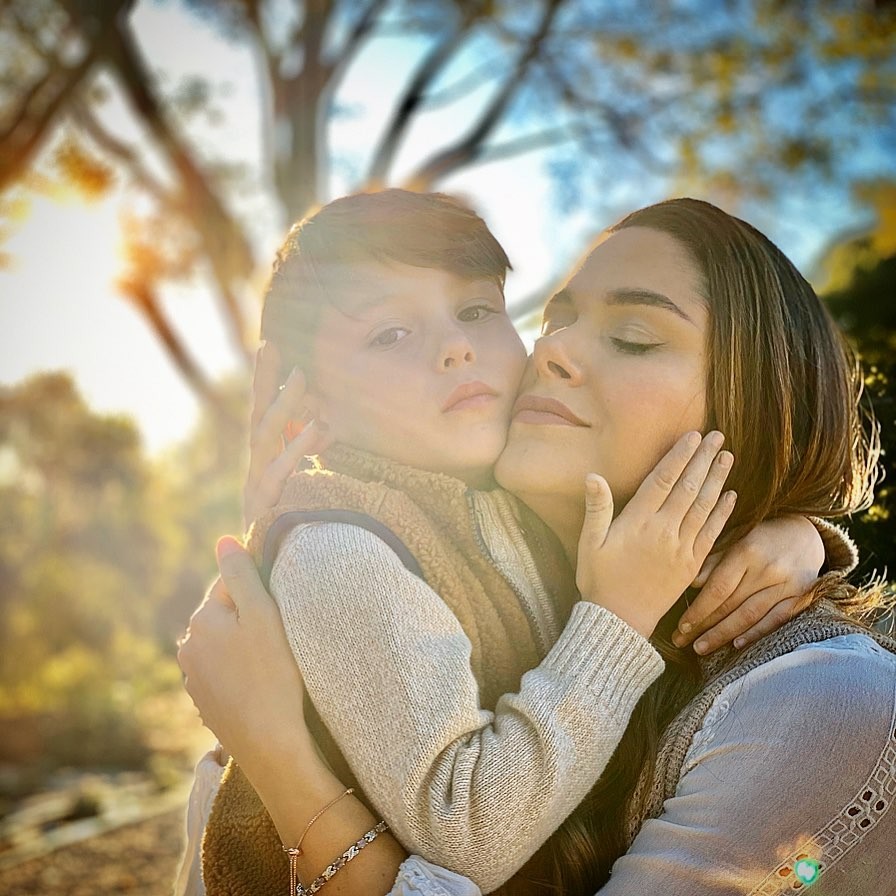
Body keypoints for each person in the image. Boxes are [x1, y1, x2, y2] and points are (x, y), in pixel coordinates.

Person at [179, 197, 895, 896]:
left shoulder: (822, 703)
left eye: (635, 337)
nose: (551, 350)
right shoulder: (372, 546)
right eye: (556, 319)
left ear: (759, 402)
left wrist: (798, 533)